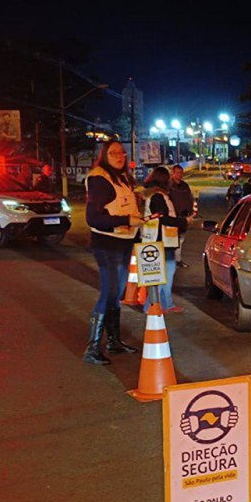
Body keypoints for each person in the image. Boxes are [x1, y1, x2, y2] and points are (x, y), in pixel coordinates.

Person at [83, 140, 145, 365]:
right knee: (108, 292)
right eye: (113, 153)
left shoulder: (122, 177)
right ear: (104, 155)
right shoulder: (100, 179)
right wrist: (126, 219)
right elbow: (93, 218)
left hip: (123, 242)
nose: (119, 156)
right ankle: (92, 348)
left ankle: (114, 341)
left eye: (122, 152)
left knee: (117, 292)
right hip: (107, 244)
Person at [141, 167, 193, 314]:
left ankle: (163, 305)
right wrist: (184, 221)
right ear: (164, 180)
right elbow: (163, 218)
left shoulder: (156, 195)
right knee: (163, 275)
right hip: (161, 241)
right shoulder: (158, 196)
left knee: (162, 275)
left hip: (159, 241)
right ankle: (154, 306)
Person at [168, 165, 194, 269]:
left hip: (184, 217)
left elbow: (189, 199)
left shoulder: (185, 186)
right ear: (173, 173)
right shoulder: (169, 186)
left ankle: (177, 260)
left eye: (181, 172)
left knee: (181, 240)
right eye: (177, 172)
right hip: (173, 218)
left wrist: (190, 212)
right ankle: (171, 262)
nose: (180, 174)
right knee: (172, 240)